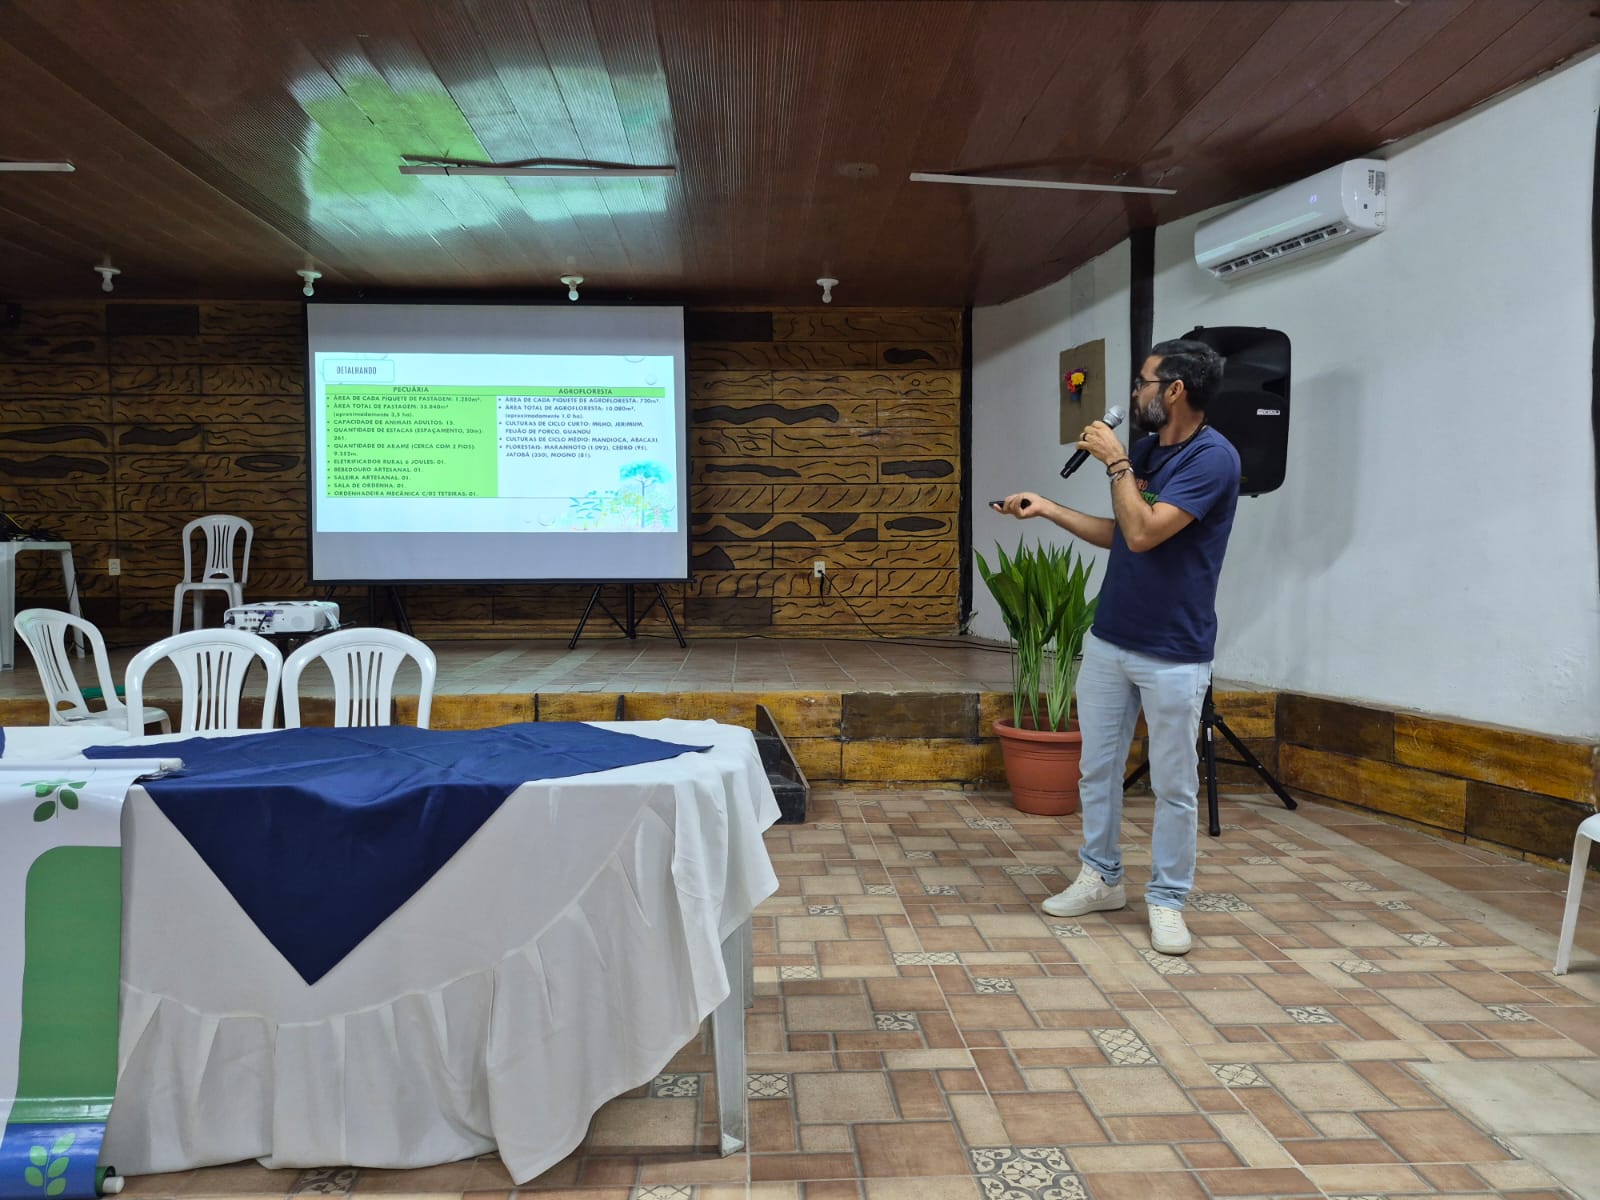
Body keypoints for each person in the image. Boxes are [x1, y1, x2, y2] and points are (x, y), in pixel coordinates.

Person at [992, 339, 1240, 955]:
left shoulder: (1214, 459)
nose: (1134, 395)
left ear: (1174, 390)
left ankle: (1167, 898)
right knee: (1096, 769)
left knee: (1175, 785)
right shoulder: (1153, 451)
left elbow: (1145, 530)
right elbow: (1119, 535)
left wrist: (1115, 462)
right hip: (1109, 641)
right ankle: (1101, 877)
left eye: (1143, 382)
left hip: (1174, 652)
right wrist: (1047, 508)